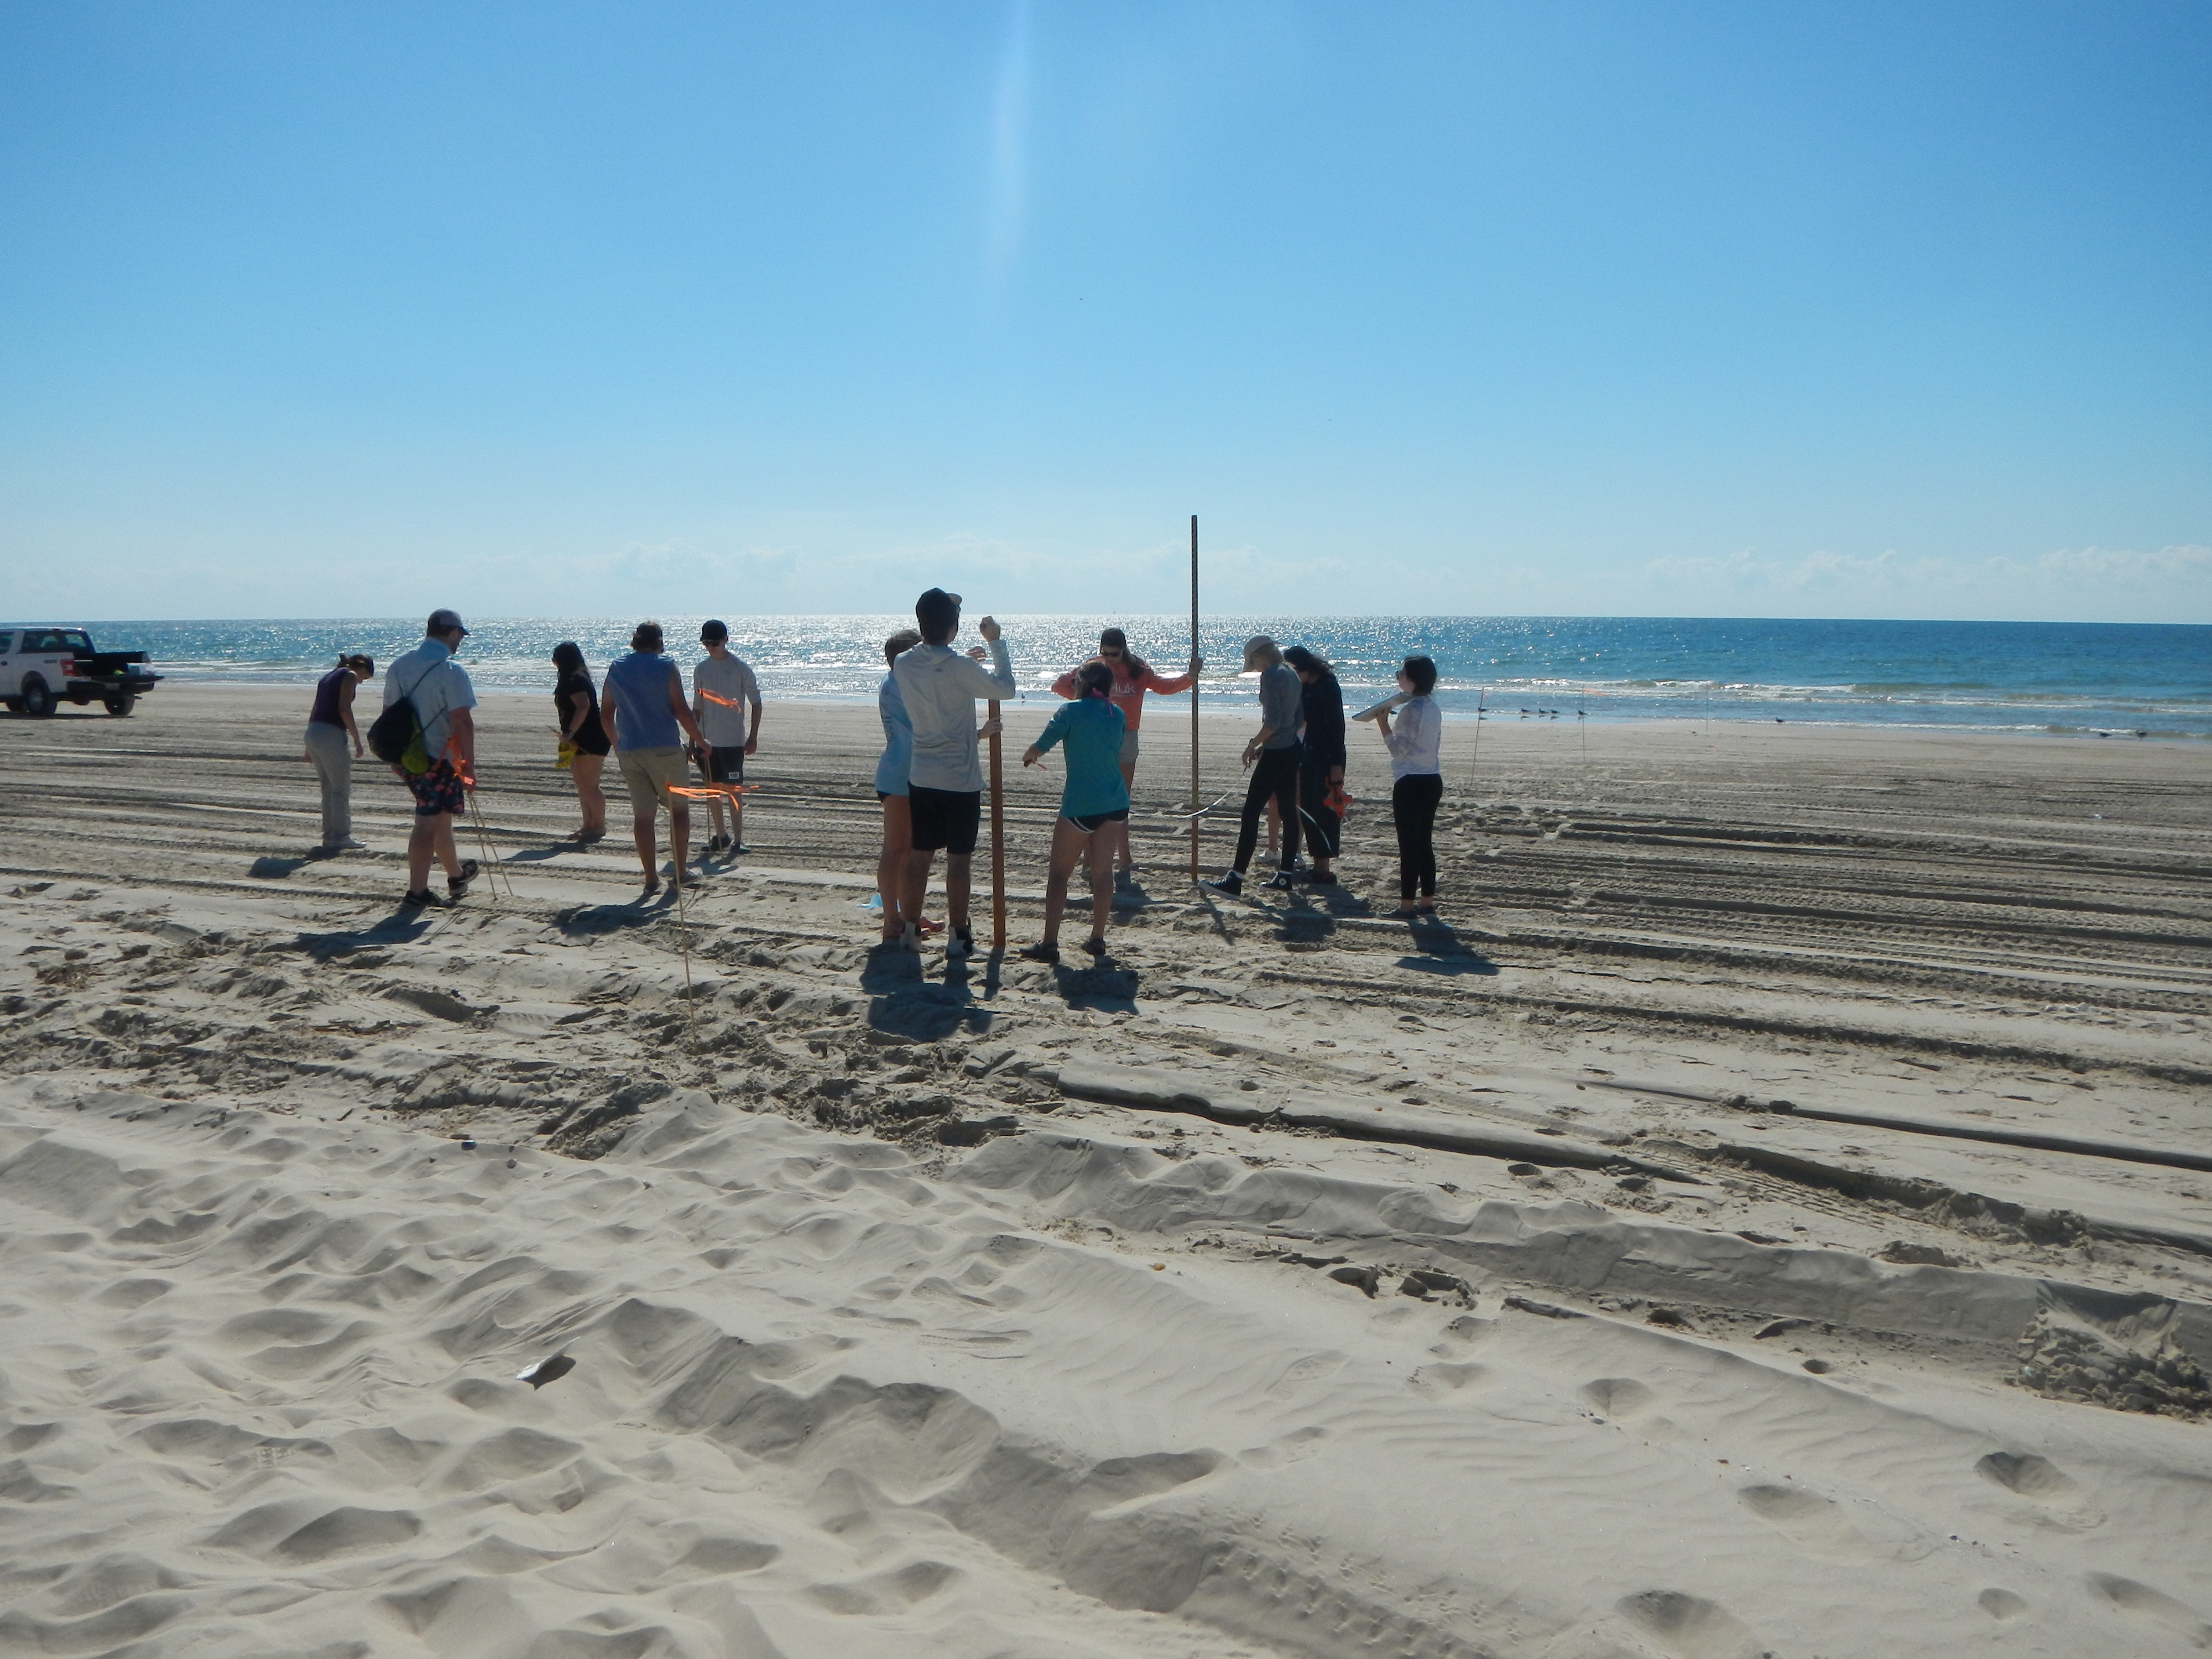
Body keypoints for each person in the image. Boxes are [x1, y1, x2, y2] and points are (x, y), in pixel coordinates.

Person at [891, 587, 1014, 959]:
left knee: (920, 856)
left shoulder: (904, 664)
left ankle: (909, 931)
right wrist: (995, 644)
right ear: (953, 628)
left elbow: (936, 656)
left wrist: (959, 648)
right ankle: (959, 936)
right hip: (960, 779)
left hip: (923, 775)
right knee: (958, 860)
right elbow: (1005, 689)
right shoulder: (960, 667)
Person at [1050, 627, 1199, 881]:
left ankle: (1125, 857)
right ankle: (1089, 860)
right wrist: (1087, 702)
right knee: (1094, 798)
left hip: (1127, 735)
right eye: (1105, 653)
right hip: (1097, 735)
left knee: (1120, 800)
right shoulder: (1094, 668)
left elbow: (1165, 687)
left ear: (1124, 650)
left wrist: (1190, 677)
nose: (1110, 659)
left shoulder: (1139, 669)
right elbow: (1059, 685)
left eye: (1115, 654)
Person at [1020, 661, 1127, 963]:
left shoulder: (1071, 711)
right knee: (1103, 873)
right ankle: (1097, 938)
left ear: (1084, 683)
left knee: (1059, 874)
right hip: (1115, 800)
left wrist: (1029, 756)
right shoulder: (1116, 713)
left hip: (1082, 803)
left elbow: (1043, 744)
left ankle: (1050, 943)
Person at [600, 620, 709, 898]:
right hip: (664, 747)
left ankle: (651, 878)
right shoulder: (666, 665)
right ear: (659, 642)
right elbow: (681, 710)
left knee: (643, 817)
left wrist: (618, 744)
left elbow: (606, 715)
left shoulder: (617, 666)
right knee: (679, 810)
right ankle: (680, 871)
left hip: (631, 749)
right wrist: (700, 741)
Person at [383, 611, 479, 909]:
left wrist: (395, 758)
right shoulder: (451, 671)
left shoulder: (400, 665)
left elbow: (389, 716)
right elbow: (461, 721)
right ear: (453, 633)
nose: (460, 641)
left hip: (410, 757)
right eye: (460, 635)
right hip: (440, 759)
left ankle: (457, 876)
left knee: (439, 818)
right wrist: (469, 765)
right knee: (427, 823)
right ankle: (417, 892)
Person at [1201, 635, 1303, 896]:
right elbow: (1299, 718)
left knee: (1251, 813)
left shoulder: (1271, 675)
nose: (1255, 667)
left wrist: (1253, 744)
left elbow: (1274, 721)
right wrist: (1267, 744)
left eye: (1253, 662)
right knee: (1289, 813)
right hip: (1291, 749)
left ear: (1260, 656)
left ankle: (1235, 879)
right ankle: (1285, 876)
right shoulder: (1291, 673)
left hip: (1277, 752)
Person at [1369, 654, 1444, 915]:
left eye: (1400, 674)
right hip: (1432, 778)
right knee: (1424, 843)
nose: (1398, 677)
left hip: (1411, 781)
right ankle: (1427, 901)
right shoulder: (1433, 708)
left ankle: (1407, 905)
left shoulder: (1412, 709)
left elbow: (1399, 751)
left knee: (1410, 846)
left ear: (1413, 679)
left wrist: (1383, 724)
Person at [691, 620, 762, 855]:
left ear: (725, 640)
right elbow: (697, 707)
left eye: (715, 643)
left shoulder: (740, 668)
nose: (711, 648)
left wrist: (752, 737)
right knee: (711, 789)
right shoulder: (701, 669)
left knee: (734, 790)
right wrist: (693, 740)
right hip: (707, 742)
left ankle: (739, 839)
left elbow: (756, 703)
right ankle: (721, 836)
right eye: (707, 643)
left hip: (733, 741)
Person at [872, 628, 922, 945]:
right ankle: (892, 918)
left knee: (912, 850)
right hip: (898, 775)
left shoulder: (900, 682)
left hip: (910, 773)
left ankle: (908, 914)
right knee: (896, 849)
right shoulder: (898, 685)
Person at [1284, 646, 1345, 886]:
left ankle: (1324, 867)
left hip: (1329, 756)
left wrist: (1336, 763)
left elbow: (1337, 726)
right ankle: (1317, 864)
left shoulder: (1328, 685)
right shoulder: (1304, 687)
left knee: (1325, 810)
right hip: (1309, 751)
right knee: (1308, 806)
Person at [304, 654, 373, 854]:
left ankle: (329, 837)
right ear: (362, 668)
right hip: (331, 733)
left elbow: (315, 709)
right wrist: (357, 739)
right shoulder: (349, 675)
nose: (361, 681)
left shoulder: (328, 677)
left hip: (314, 732)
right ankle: (342, 836)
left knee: (328, 789)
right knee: (340, 789)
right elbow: (344, 709)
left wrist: (308, 746)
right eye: (365, 677)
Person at [551, 641, 609, 844]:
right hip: (579, 738)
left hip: (591, 737)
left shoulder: (574, 679)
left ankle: (599, 826)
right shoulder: (573, 677)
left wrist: (569, 732)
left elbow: (583, 706)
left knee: (590, 784)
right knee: (582, 783)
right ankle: (588, 825)